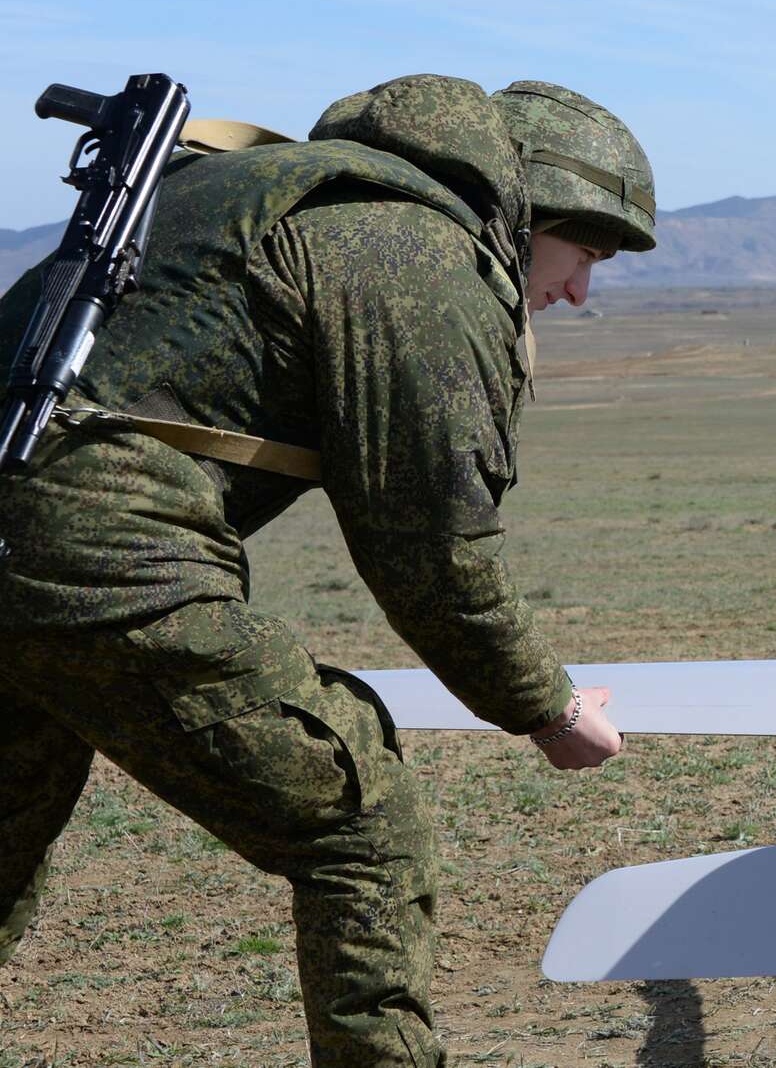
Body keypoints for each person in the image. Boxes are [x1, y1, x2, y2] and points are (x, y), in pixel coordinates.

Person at [0, 74, 656, 1066]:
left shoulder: (271, 183)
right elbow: (432, 546)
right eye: (583, 255)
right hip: (93, 561)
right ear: (529, 206)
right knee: (365, 828)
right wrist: (547, 706)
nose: (577, 290)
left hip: (32, 551)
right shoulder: (412, 247)